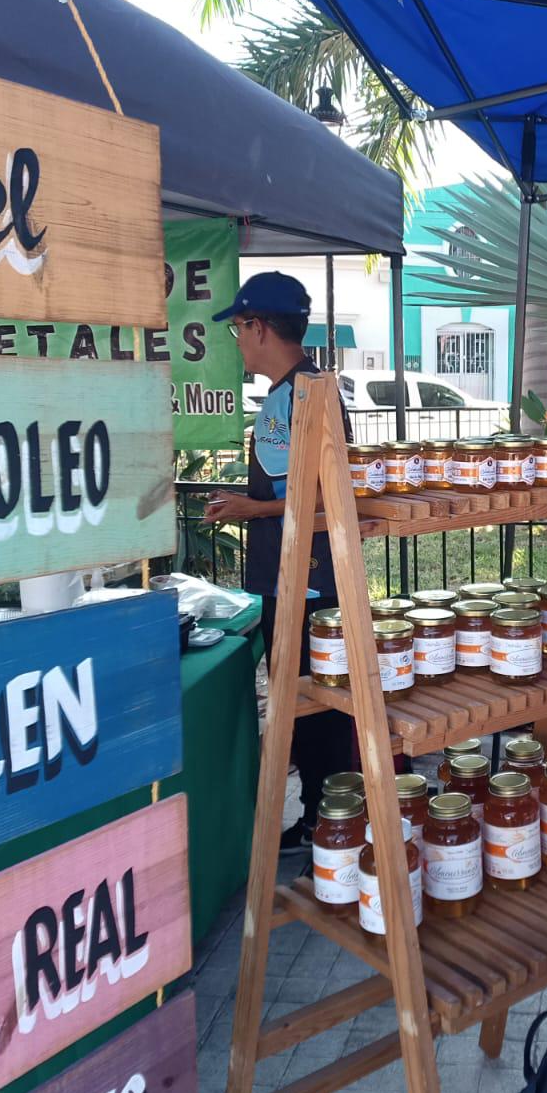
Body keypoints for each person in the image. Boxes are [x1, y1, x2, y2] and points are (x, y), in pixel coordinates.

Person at [203, 271, 355, 850]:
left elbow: (311, 495)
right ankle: (329, 817)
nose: (237, 342)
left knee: (313, 705)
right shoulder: (318, 387)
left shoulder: (290, 398)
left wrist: (250, 506)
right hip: (316, 576)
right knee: (324, 703)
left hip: (298, 581)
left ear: (259, 327)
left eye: (239, 329)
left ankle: (327, 824)